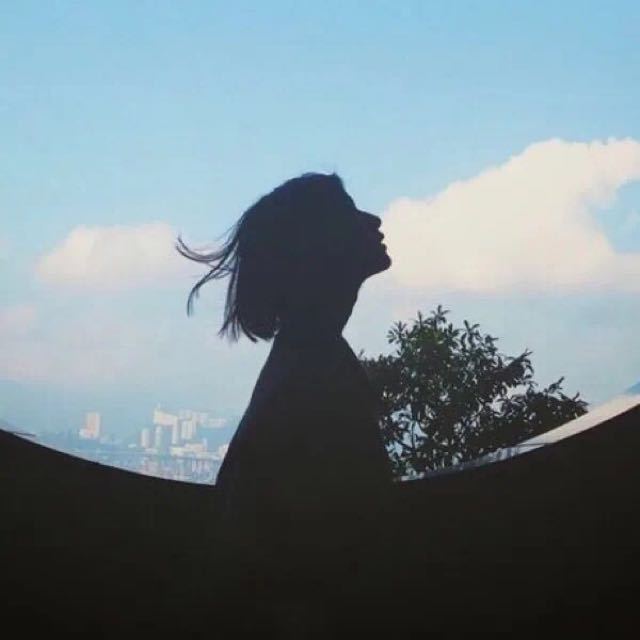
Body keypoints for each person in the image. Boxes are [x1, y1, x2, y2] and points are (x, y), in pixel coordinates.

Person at [177, 173, 393, 634]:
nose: (373, 221)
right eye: (349, 213)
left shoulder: (306, 363)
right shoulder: (317, 376)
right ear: (317, 249)